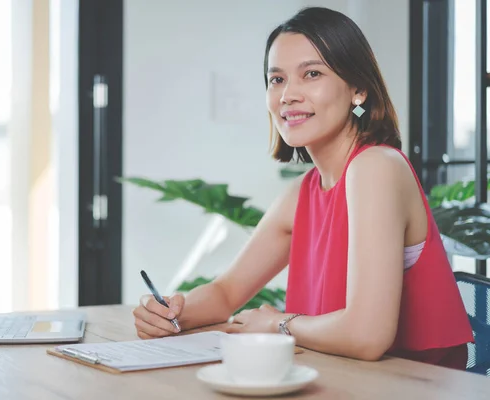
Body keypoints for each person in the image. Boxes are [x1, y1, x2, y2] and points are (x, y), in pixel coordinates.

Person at [132, 7, 474, 369]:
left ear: (358, 90)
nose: (288, 94)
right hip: (340, 378)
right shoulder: (304, 191)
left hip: (413, 386)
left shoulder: (376, 167)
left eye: (311, 74)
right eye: (276, 79)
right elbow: (226, 291)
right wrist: (173, 313)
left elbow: (368, 335)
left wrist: (278, 324)